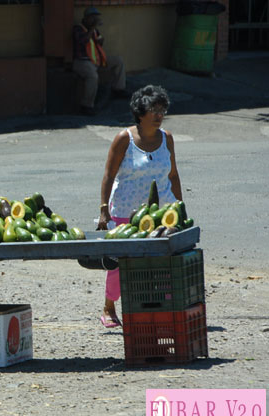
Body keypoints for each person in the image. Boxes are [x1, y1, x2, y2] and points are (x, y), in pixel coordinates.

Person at [97, 85, 183, 328]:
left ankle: (161, 308)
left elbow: (173, 175)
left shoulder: (167, 138)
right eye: (153, 110)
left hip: (161, 213)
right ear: (140, 112)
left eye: (162, 110)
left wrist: (179, 207)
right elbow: (108, 176)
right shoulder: (124, 138)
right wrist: (104, 209)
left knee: (162, 261)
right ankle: (109, 306)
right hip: (126, 211)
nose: (159, 115)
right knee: (119, 263)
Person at [72, 7, 129, 116]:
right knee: (93, 76)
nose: (94, 20)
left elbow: (98, 42)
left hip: (96, 60)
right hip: (82, 62)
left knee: (118, 61)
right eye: (92, 18)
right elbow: (83, 41)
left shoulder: (94, 31)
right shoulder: (78, 29)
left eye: (96, 18)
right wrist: (92, 28)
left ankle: (118, 89)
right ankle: (87, 105)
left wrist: (100, 40)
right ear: (86, 18)